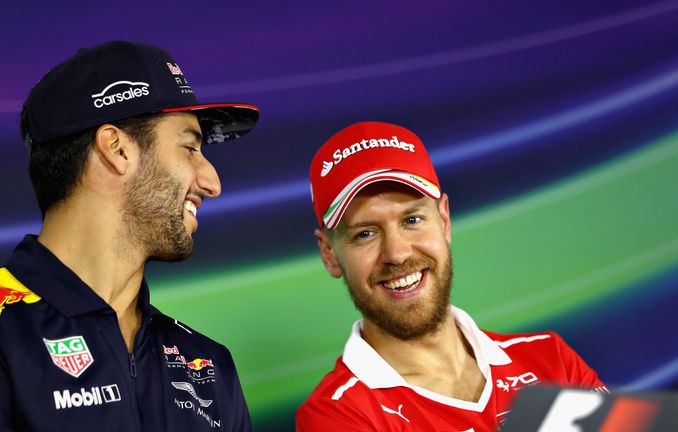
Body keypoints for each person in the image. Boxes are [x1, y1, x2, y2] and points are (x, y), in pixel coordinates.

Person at [0, 41, 259, 431]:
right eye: (190, 148)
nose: (212, 182)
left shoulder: (207, 363)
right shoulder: (8, 335)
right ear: (117, 149)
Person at [296, 122, 608, 431]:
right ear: (330, 254)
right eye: (365, 233)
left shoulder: (550, 359)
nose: (398, 253)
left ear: (444, 220)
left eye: (413, 219)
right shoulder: (335, 416)